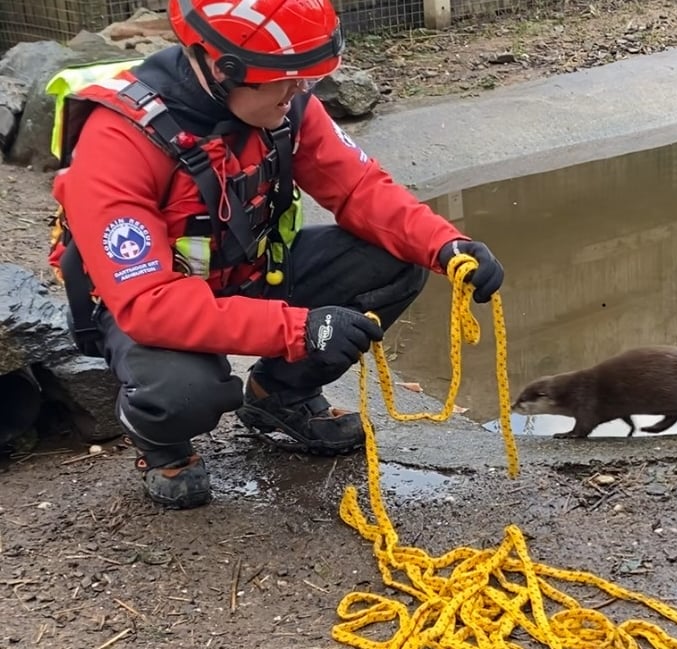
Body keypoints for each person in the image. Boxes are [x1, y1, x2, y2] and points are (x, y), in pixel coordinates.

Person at [48, 0, 504, 510]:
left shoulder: (280, 102)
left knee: (395, 258)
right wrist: (299, 329)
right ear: (224, 69)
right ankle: (161, 441)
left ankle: (278, 397)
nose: (304, 91)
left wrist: (446, 245)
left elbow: (358, 188)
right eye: (291, 80)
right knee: (184, 394)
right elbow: (147, 303)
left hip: (246, 269)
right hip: (147, 305)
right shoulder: (119, 141)